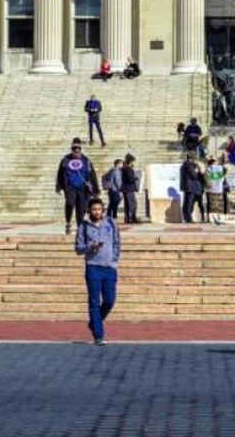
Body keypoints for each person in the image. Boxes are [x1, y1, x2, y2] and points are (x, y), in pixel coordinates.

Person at [75, 196, 121, 346]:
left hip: (109, 267)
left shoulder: (111, 223)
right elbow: (78, 248)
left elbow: (116, 242)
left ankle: (94, 323)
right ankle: (98, 335)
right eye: (94, 209)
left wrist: (114, 259)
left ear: (103, 210)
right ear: (89, 211)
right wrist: (91, 247)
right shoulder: (84, 226)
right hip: (93, 267)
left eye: (99, 209)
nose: (96, 212)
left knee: (109, 300)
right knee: (94, 301)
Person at [56, 140, 99, 234]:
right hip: (70, 186)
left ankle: (80, 226)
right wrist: (58, 186)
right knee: (70, 203)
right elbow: (60, 173)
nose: (76, 152)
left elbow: (92, 174)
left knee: (81, 208)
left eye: (78, 150)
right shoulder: (65, 160)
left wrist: (96, 188)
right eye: (74, 150)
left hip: (82, 188)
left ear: (80, 150)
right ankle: (68, 222)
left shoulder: (86, 160)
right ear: (72, 150)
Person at [179, 155, 206, 224]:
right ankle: (188, 218)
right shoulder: (190, 165)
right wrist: (196, 171)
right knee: (189, 203)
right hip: (191, 187)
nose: (194, 160)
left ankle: (185, 217)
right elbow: (194, 176)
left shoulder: (183, 165)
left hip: (185, 187)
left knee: (186, 202)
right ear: (191, 159)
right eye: (194, 159)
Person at [120, 155, 140, 224]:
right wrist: (136, 178)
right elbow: (130, 179)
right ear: (131, 161)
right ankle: (133, 218)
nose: (134, 163)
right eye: (133, 161)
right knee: (133, 204)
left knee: (127, 204)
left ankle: (127, 218)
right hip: (129, 188)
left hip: (124, 188)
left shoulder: (123, 169)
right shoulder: (129, 169)